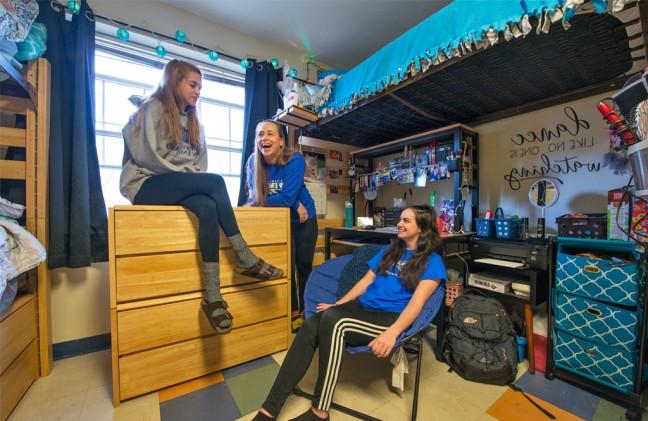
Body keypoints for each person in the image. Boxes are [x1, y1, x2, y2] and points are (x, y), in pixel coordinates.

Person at [120, 59, 283, 334]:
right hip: (146, 183)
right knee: (215, 182)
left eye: (200, 86)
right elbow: (148, 156)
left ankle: (212, 296)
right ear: (175, 81)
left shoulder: (194, 121)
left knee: (207, 207)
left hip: (174, 183)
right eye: (192, 84)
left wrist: (190, 179)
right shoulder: (153, 107)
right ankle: (243, 256)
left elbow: (199, 164)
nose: (198, 91)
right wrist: (189, 178)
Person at [252, 205, 446, 421]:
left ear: (422, 227)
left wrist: (393, 333)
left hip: (388, 318)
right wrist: (338, 304)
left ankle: (320, 411)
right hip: (361, 308)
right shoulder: (390, 250)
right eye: (400, 219)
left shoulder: (433, 262)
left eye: (406, 220)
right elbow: (366, 281)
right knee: (310, 325)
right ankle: (269, 410)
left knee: (336, 322)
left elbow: (416, 304)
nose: (399, 223)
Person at [245, 120, 318, 314]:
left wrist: (285, 201)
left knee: (303, 267)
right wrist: (292, 202)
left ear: (281, 141)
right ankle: (293, 311)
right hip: (279, 221)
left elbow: (283, 198)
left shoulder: (294, 160)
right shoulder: (253, 162)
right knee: (285, 266)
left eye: (270, 134)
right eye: (260, 134)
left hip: (303, 220)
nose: (264, 138)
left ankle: (306, 310)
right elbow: (256, 196)